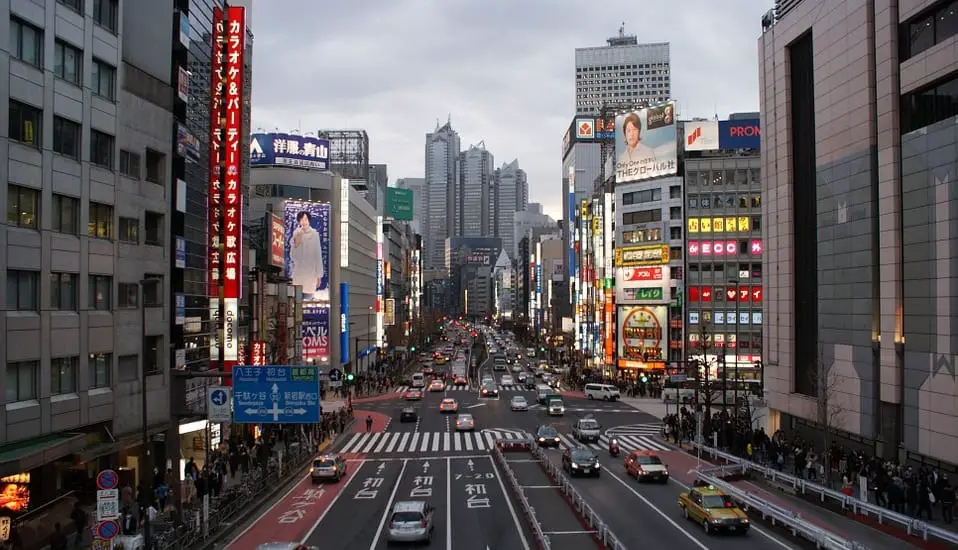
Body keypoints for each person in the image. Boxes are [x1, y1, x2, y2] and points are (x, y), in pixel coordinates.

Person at [616, 112, 666, 180]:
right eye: (628, 131)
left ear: (639, 131)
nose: (632, 134)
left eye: (634, 130)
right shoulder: (621, 158)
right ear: (625, 133)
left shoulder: (648, 151)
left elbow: (654, 176)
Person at [290, 211, 327, 301]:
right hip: (298, 276)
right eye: (302, 220)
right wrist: (297, 244)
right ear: (299, 221)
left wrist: (319, 276)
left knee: (307, 305)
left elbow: (318, 255)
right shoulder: (296, 233)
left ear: (309, 221)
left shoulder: (314, 234)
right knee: (296, 305)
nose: (304, 222)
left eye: (306, 219)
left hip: (310, 277)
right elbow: (293, 255)